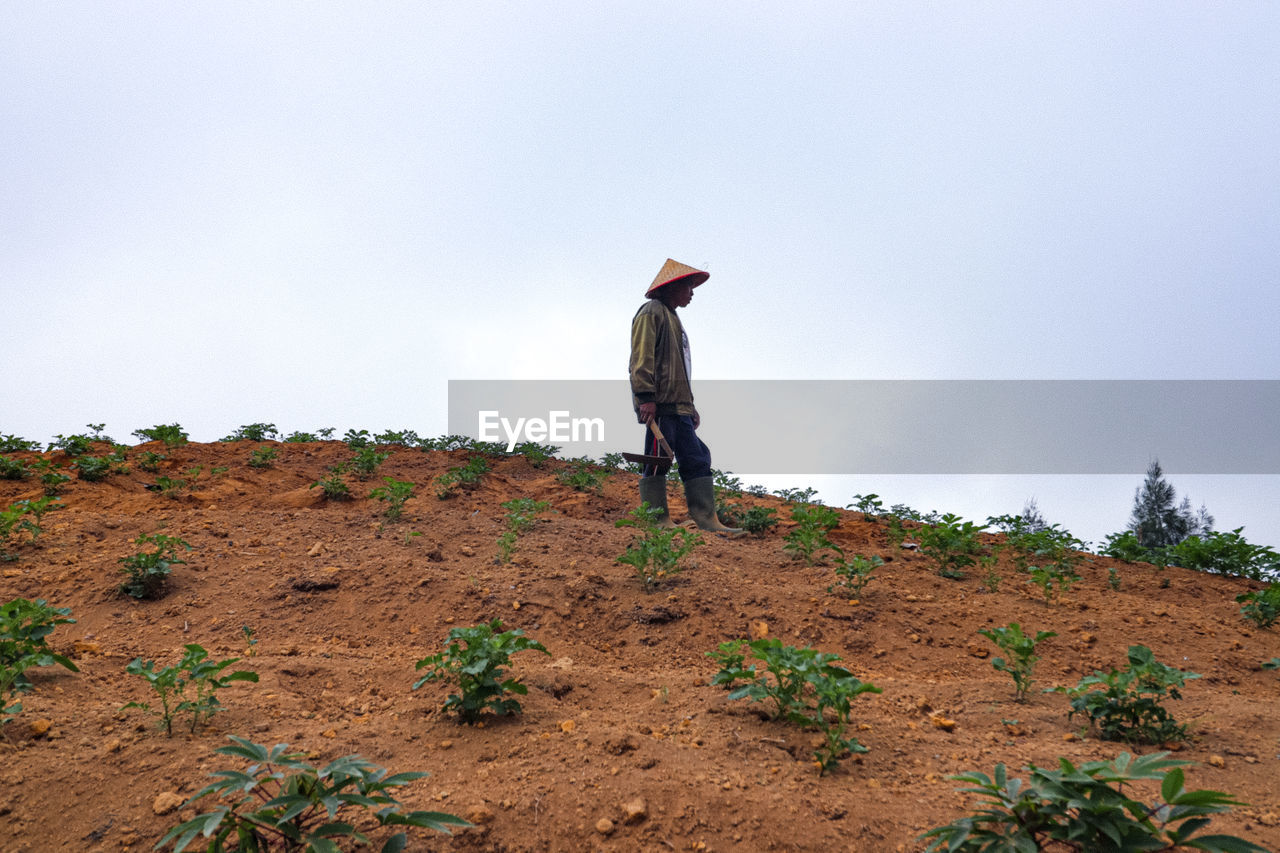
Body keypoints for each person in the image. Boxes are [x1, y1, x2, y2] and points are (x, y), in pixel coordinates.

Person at [629, 258, 742, 536]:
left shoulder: (673, 318)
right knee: (658, 459)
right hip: (661, 404)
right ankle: (656, 521)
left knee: (697, 457)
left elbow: (680, 368)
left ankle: (707, 520)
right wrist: (645, 396)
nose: (691, 293)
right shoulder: (651, 312)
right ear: (672, 287)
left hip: (679, 406)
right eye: (688, 287)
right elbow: (641, 358)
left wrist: (690, 406)